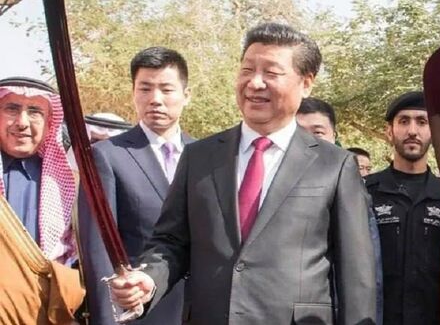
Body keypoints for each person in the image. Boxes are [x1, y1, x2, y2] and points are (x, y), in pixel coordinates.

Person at [108, 22, 376, 324]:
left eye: (271, 73)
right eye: (247, 70)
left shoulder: (335, 165)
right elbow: (171, 241)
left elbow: (356, 274)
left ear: (306, 83)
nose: (254, 83)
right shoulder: (199, 156)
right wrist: (150, 279)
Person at [78, 47, 194, 325]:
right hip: (139, 312)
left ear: (186, 95)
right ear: (133, 93)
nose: (155, 99)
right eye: (145, 88)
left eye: (166, 89)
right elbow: (98, 251)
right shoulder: (107, 156)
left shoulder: (206, 154)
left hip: (198, 308)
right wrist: (109, 317)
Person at [0, 76, 85, 323]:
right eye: (12, 109)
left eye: (35, 112)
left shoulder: (73, 185)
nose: (22, 123)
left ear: (50, 123)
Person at [297, 97, 385, 325]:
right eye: (299, 132)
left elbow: (363, 275)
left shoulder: (350, 189)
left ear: (333, 136)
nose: (308, 141)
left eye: (318, 132)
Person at [366, 91, 440, 325]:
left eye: (422, 122)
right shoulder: (366, 191)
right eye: (404, 121)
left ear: (433, 131)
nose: (413, 131)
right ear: (389, 131)